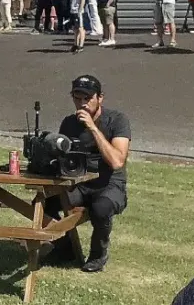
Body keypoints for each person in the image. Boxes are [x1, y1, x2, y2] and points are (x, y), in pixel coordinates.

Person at [42, 75, 130, 273]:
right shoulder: (69, 123)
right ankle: (64, 246)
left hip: (109, 183)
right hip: (79, 183)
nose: (82, 103)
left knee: (101, 208)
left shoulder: (117, 120)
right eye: (77, 98)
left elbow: (117, 161)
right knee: (43, 203)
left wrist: (92, 127)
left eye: (87, 98)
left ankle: (98, 255)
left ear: (100, 98)